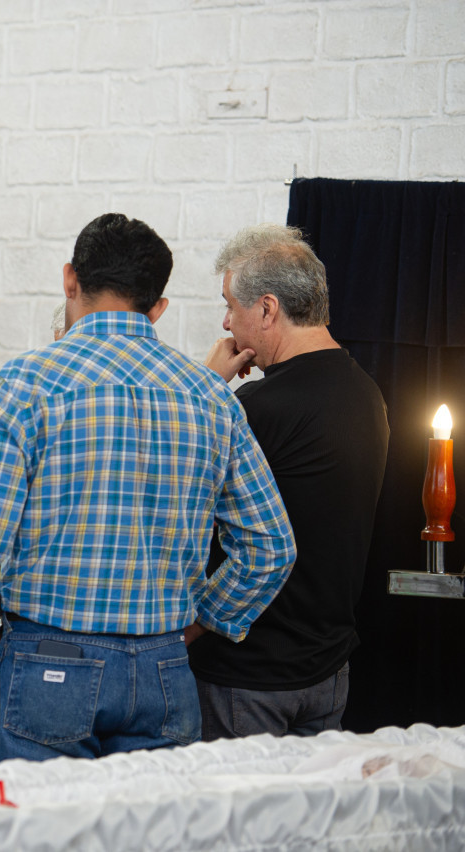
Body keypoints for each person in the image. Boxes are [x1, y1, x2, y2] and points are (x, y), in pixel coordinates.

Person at [0, 213, 297, 763]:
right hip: (164, 668)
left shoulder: (28, 383)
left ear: (70, 280)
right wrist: (194, 627)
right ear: (158, 306)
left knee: (48, 832)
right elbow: (271, 548)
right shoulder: (210, 397)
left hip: (48, 657)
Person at [188, 224, 389, 739]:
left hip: (247, 679)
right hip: (327, 673)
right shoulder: (367, 394)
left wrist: (208, 388)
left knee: (235, 822)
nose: (227, 321)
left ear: (268, 309)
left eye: (231, 305)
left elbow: (172, 494)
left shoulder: (257, 409)